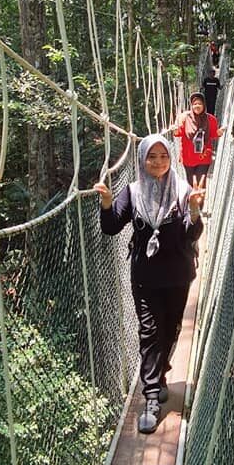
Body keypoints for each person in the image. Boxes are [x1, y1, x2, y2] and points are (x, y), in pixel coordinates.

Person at [94, 135, 205, 434]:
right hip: (145, 277)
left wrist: (194, 210)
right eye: (151, 157)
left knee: (171, 330)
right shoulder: (131, 192)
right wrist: (107, 203)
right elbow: (111, 227)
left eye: (163, 156)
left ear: (171, 158)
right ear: (142, 159)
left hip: (178, 274)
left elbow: (192, 235)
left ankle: (162, 374)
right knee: (149, 332)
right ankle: (152, 396)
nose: (157, 162)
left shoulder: (183, 191)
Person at [175, 92, 224, 186]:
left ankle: (201, 201)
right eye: (195, 104)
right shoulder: (183, 118)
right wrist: (175, 130)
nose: (197, 106)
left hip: (204, 156)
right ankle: (191, 200)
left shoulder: (211, 119)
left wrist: (218, 133)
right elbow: (179, 133)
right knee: (190, 184)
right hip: (188, 156)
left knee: (201, 183)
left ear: (204, 105)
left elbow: (213, 134)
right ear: (191, 106)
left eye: (200, 104)